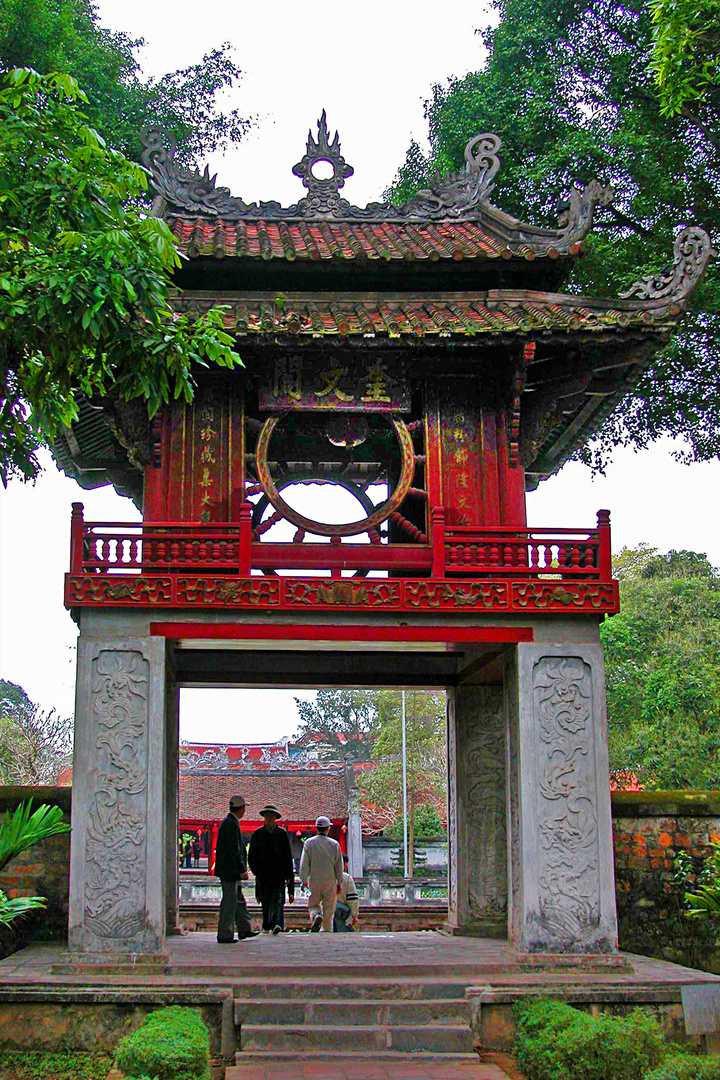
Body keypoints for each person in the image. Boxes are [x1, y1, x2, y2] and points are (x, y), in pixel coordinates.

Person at [214, 795, 260, 943]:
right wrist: (241, 868)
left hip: (229, 870)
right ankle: (225, 933)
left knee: (238, 900)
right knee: (229, 902)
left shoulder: (230, 822)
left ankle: (244, 928)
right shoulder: (231, 824)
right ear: (241, 809)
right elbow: (234, 849)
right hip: (230, 871)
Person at [247, 803, 295, 935]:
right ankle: (267, 925)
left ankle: (276, 924)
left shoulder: (282, 835)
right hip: (263, 875)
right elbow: (251, 857)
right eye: (267, 815)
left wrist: (291, 887)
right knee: (266, 902)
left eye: (271, 815)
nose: (269, 818)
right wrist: (258, 872)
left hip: (278, 875)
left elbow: (287, 859)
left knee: (278, 901)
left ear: (275, 817)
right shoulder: (258, 834)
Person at [299, 815, 344, 932]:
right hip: (330, 880)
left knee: (313, 904)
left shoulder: (309, 843)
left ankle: (316, 915)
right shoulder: (334, 844)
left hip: (314, 879)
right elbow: (339, 866)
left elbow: (304, 864)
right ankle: (327, 932)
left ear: (316, 828)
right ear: (328, 828)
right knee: (329, 911)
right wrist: (339, 882)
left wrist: (303, 880)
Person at [333, 853, 360, 933]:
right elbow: (352, 900)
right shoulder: (347, 878)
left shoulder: (324, 877)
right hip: (340, 912)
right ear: (343, 864)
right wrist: (355, 916)